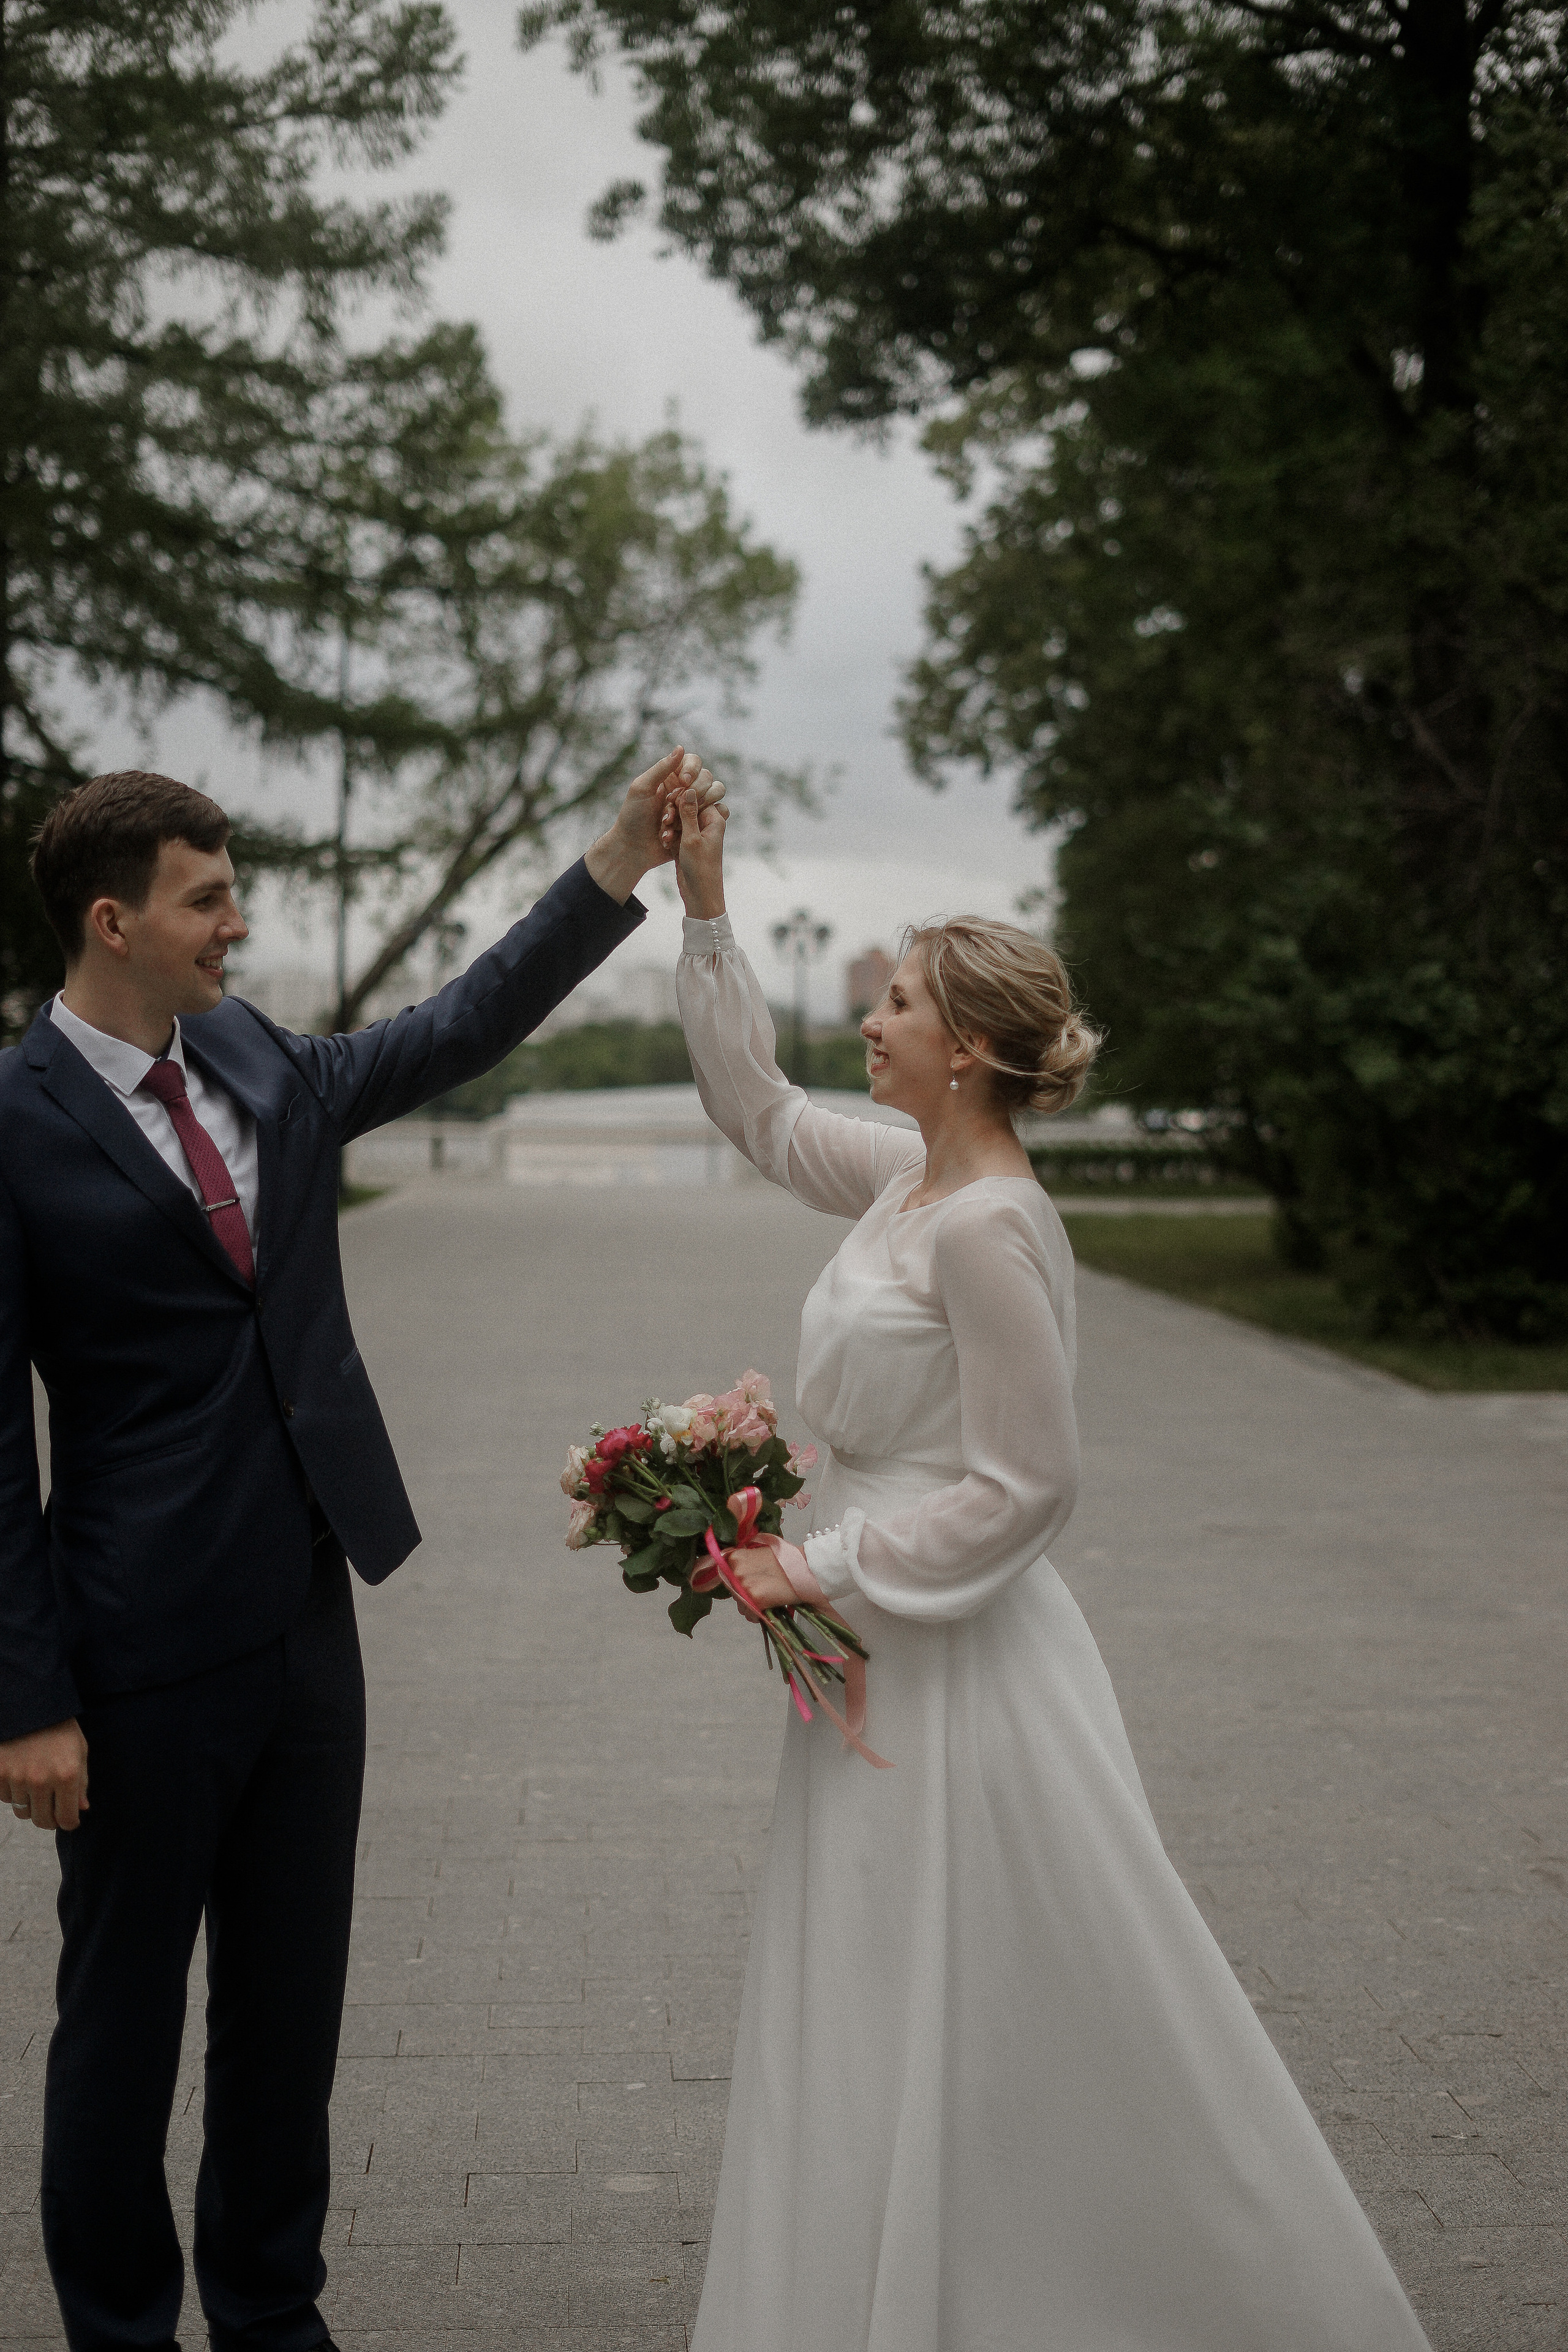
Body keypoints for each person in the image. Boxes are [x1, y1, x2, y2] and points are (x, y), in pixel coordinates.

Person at [663, 778, 1431, 2351]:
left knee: (1035, 1991)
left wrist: (816, 1567)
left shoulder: (986, 1227)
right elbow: (750, 1107)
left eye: (893, 1004)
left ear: (969, 1049)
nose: (866, 1022)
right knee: (875, 1987)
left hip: (961, 1667)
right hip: (875, 1648)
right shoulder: (899, 1177)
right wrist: (706, 910)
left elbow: (1028, 1484)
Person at [0, 752, 699, 2352]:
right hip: (131, 1650)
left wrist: (612, 868)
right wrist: (23, 1693)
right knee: (118, 2028)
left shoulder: (247, 1054)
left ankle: (271, 2311)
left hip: (308, 1621)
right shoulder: (15, 1123)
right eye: (208, 899)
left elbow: (452, 1028)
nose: (236, 925)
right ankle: (118, 2327)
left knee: (285, 2015)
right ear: (114, 921)